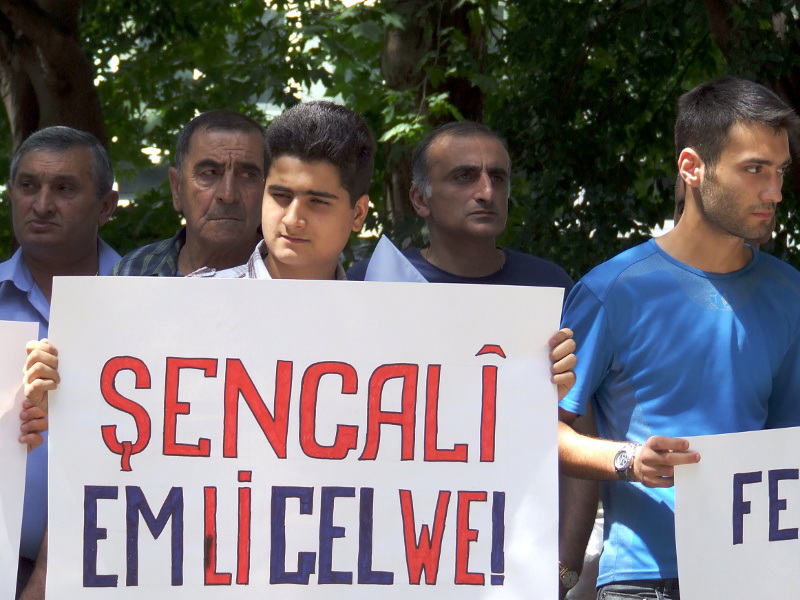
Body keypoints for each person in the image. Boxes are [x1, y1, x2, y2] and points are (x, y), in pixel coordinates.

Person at [558, 76, 800, 599]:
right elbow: (535, 431)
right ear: (692, 167)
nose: (774, 192)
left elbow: (787, 442)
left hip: (759, 573)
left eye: (780, 171)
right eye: (754, 169)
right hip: (645, 580)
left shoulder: (790, 294)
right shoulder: (611, 290)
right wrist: (629, 461)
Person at [0, 125, 120, 599]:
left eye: (64, 188)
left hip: (111, 568)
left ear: (106, 206)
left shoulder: (147, 304)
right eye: (28, 186)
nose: (42, 204)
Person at [347, 120, 573, 288]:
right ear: (420, 199)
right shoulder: (374, 280)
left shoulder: (549, 284)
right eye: (464, 176)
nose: (487, 192)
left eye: (497, 178)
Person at [112, 110, 266, 276]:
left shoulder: (286, 278)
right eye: (209, 173)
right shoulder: (132, 273)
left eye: (248, 175)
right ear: (177, 188)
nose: (228, 195)